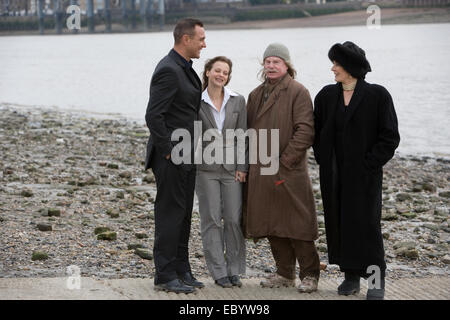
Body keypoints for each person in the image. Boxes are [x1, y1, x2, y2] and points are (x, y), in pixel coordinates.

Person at [313, 41, 400, 300]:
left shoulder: (377, 95)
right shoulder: (326, 96)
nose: (333, 69)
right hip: (333, 175)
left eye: (337, 64)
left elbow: (390, 137)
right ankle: (350, 277)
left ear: (351, 66)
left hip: (364, 177)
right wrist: (323, 159)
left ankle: (375, 281)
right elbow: (316, 133)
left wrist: (369, 164)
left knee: (367, 227)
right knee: (339, 224)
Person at [244, 43, 320, 293]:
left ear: (287, 65)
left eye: (276, 61)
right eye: (267, 62)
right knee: (272, 222)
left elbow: (306, 130)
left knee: (298, 223)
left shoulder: (298, 91)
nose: (271, 66)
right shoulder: (255, 94)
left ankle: (310, 275)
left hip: (289, 169)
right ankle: (284, 273)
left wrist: (285, 161)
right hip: (263, 167)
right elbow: (247, 133)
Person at [144, 18, 206, 294]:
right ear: (185, 39)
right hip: (172, 155)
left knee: (183, 214)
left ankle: (181, 270)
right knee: (170, 213)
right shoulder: (168, 69)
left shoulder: (185, 68)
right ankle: (165, 275)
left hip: (188, 152)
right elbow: (153, 116)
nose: (204, 43)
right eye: (201, 39)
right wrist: (169, 152)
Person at [195, 56, 248, 288]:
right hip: (205, 169)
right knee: (212, 219)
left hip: (231, 169)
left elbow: (243, 136)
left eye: (225, 72)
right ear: (207, 72)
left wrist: (242, 167)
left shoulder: (237, 101)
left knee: (234, 220)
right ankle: (218, 272)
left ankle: (234, 269)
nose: (221, 75)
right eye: (217, 70)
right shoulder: (196, 101)